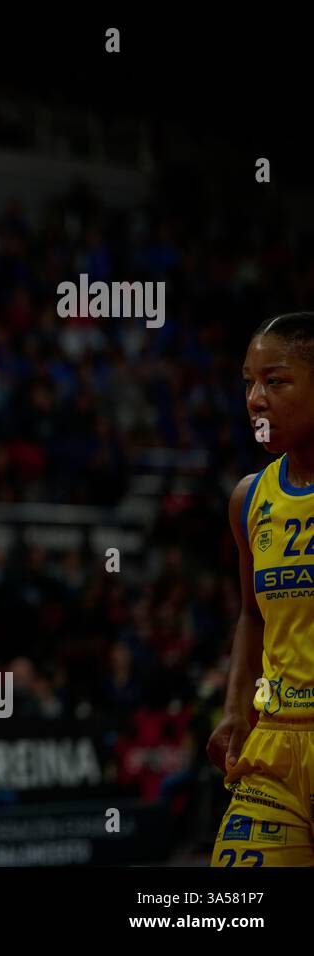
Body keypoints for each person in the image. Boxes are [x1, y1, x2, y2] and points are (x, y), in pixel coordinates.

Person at [208, 312, 314, 866]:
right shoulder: (249, 499)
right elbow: (252, 615)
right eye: (248, 381)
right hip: (275, 741)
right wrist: (233, 711)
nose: (255, 398)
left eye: (276, 381)